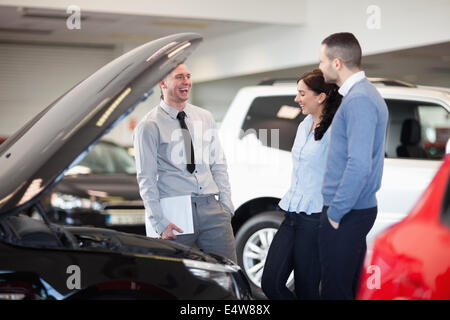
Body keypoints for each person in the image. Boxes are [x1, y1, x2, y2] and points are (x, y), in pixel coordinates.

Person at [133, 63, 237, 263]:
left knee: (228, 271)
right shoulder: (149, 125)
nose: (186, 82)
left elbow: (218, 163)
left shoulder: (204, 117)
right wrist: (160, 222)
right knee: (171, 277)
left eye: (188, 76)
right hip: (174, 210)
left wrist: (226, 206)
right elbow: (146, 178)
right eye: (179, 77)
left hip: (211, 207)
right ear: (163, 82)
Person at [318, 32, 388, 300]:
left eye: (322, 60)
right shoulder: (362, 95)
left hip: (347, 211)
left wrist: (336, 212)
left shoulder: (359, 100)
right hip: (353, 209)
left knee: (335, 290)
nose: (320, 66)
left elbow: (358, 165)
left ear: (337, 63)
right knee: (346, 287)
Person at [261, 69, 342, 300]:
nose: (296, 99)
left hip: (315, 218)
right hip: (292, 215)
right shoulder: (303, 124)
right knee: (270, 282)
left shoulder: (336, 129)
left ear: (321, 97)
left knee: (307, 290)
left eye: (302, 93)